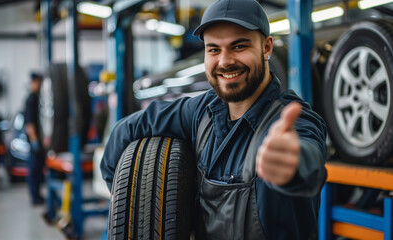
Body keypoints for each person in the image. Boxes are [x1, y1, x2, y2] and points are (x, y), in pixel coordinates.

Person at [101, 0, 327, 239]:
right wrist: (125, 200)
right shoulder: (202, 111)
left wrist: (293, 163)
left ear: (266, 48)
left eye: (239, 46)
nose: (225, 61)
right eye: (214, 49)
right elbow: (124, 131)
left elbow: (309, 159)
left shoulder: (293, 121)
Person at [24, 72, 45, 205]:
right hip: (34, 143)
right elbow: (30, 124)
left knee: (38, 170)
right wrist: (34, 141)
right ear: (34, 82)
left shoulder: (38, 98)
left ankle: (37, 195)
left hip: (39, 142)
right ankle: (35, 197)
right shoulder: (31, 99)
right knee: (34, 170)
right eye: (38, 82)